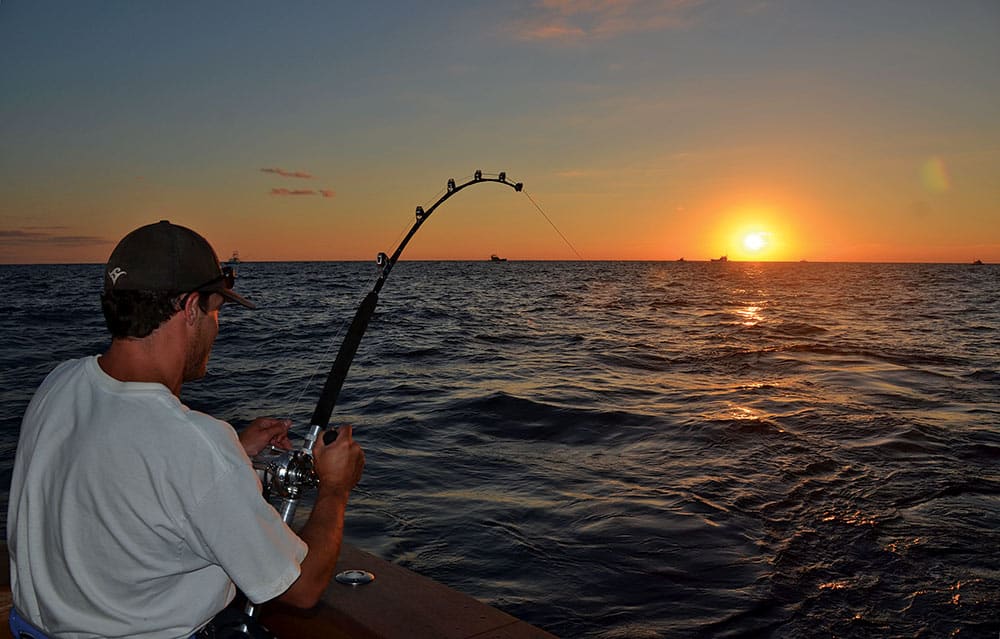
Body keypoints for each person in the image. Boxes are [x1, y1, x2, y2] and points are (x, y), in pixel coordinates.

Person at [6, 220, 365, 638]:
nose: (218, 326)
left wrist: (235, 452)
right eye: (216, 311)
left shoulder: (59, 383)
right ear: (191, 308)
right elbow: (302, 589)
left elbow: (125, 461)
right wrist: (336, 489)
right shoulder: (194, 446)